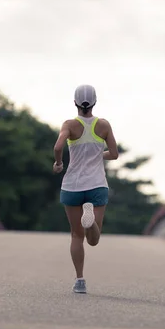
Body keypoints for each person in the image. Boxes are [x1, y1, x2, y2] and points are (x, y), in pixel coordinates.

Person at [52, 84, 119, 294]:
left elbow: (58, 146)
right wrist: (98, 154)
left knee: (76, 236)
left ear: (75, 103)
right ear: (95, 102)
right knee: (93, 239)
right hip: (97, 185)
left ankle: (80, 281)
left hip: (72, 186)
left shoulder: (70, 124)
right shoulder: (104, 125)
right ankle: (89, 220)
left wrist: (58, 163)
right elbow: (114, 154)